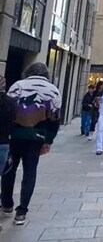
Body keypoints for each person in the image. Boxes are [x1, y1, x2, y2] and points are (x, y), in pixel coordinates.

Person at [0, 63, 62, 226]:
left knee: (9, 169)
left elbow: (7, 109)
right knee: (30, 172)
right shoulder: (53, 90)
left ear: (28, 72)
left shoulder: (18, 86)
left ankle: (7, 204)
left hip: (15, 135)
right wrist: (49, 140)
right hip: (37, 136)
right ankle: (22, 212)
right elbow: (55, 118)